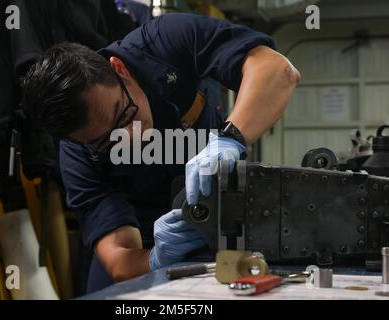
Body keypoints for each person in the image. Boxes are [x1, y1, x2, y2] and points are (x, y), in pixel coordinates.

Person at [22, 13, 301, 293]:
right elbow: (119, 258)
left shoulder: (166, 41)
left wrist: (229, 140)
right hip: (150, 242)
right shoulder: (78, 155)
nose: (131, 137)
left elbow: (277, 70)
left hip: (223, 217)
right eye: (107, 142)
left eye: (123, 115)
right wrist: (157, 257)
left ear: (119, 69)